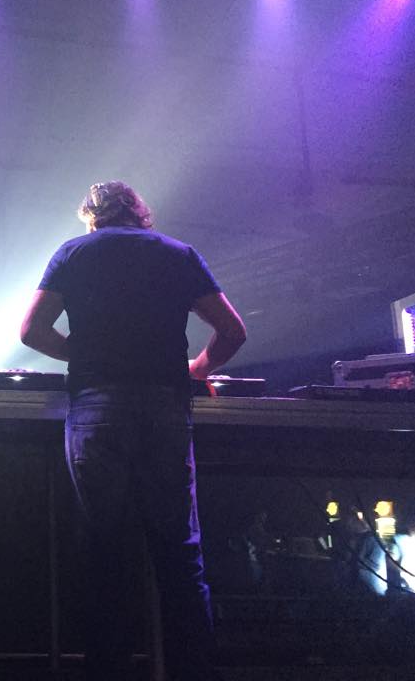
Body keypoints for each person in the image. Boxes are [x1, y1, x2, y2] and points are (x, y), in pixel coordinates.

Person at [21, 181, 246, 681]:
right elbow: (233, 331)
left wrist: (83, 354)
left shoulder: (73, 253)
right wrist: (198, 368)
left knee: (105, 554)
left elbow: (31, 330)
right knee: (180, 557)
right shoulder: (178, 254)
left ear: (91, 217)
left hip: (97, 407)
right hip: (164, 407)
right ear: (141, 213)